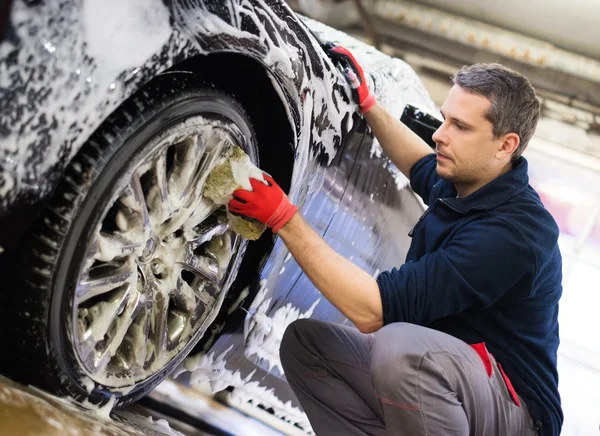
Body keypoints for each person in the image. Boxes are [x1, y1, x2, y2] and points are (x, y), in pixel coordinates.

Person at [228, 44, 562, 436]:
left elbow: (372, 312)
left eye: (461, 126)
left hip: (517, 417)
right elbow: (419, 164)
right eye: (444, 119)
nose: (440, 134)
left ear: (506, 145)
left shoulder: (514, 235)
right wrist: (369, 105)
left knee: (400, 348)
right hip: (453, 387)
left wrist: (284, 218)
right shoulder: (470, 182)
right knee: (307, 345)